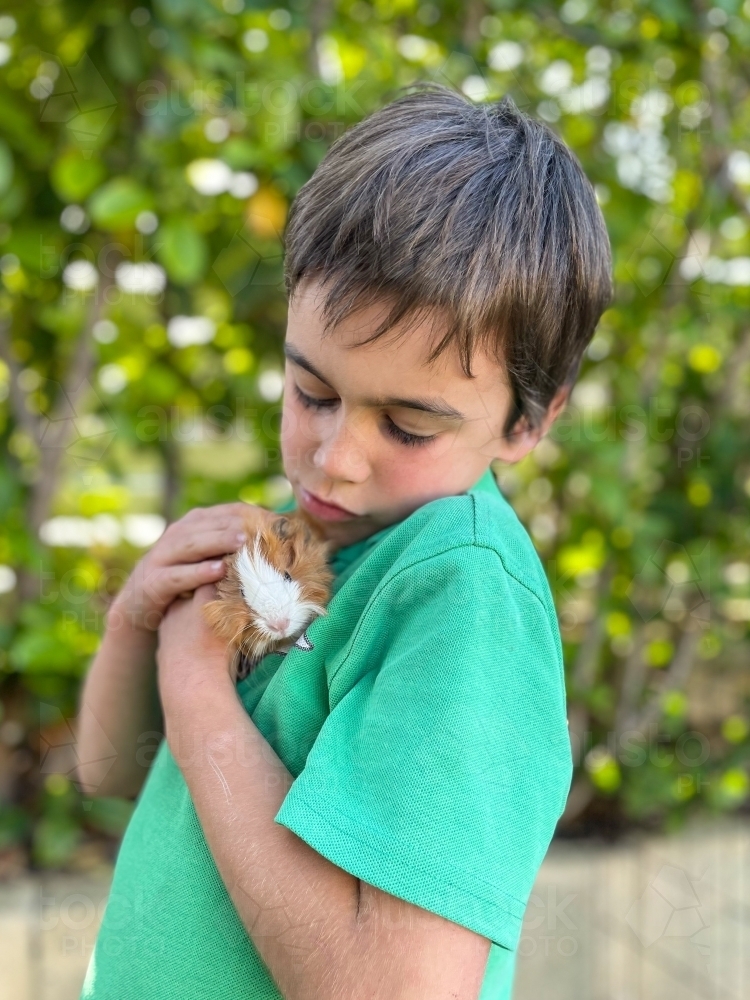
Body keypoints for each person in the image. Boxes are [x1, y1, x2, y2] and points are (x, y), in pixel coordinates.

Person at [75, 83, 612, 1000]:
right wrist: (138, 618)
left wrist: (194, 673)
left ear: (528, 422)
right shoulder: (307, 546)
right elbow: (111, 770)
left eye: (407, 427)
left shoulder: (460, 591)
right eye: (311, 393)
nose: (334, 460)